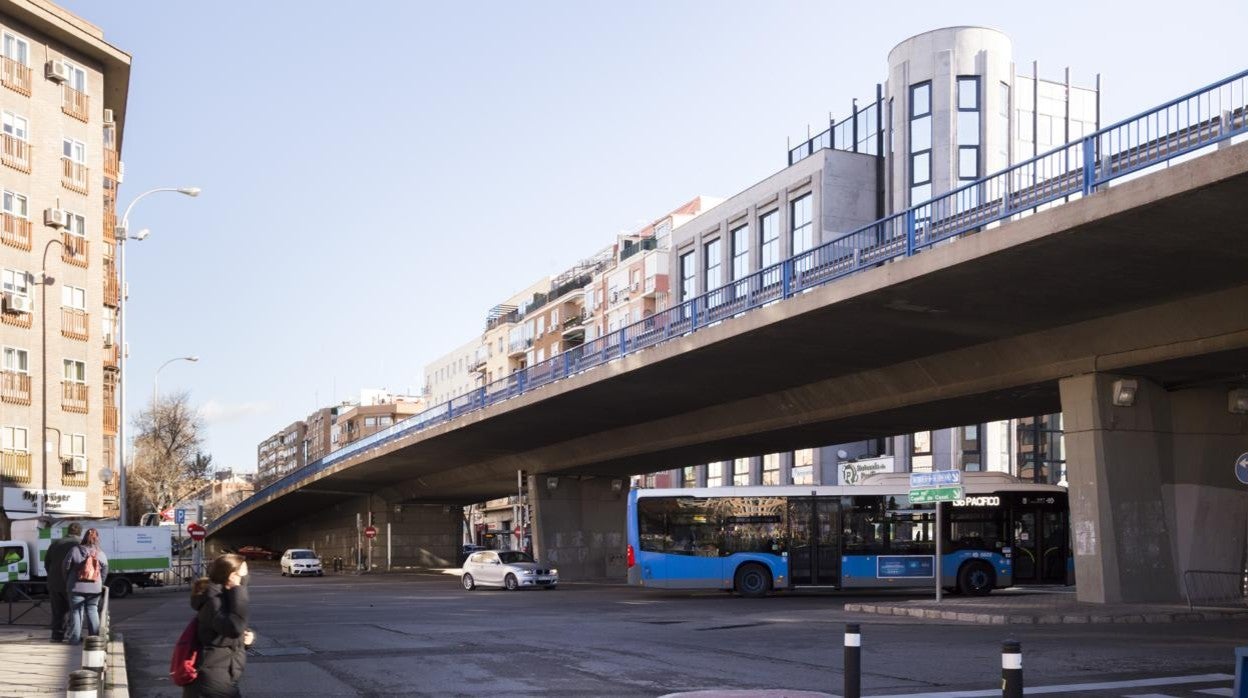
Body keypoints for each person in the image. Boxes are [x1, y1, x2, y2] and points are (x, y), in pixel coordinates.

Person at [185, 553, 253, 697]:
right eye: (243, 574)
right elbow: (234, 628)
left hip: (221, 674)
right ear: (232, 576)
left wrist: (246, 639)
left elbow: (227, 634)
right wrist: (238, 588)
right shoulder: (214, 601)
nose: (246, 578)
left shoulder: (224, 597)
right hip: (211, 679)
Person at [63, 527, 108, 644]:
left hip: (76, 587)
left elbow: (65, 567)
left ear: (84, 537)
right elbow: (105, 568)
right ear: (96, 539)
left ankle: (74, 639)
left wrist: (68, 580)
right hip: (95, 588)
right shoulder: (100, 553)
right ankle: (94, 640)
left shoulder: (74, 550)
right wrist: (100, 582)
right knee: (92, 610)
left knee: (76, 612)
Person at [45, 522, 81, 642]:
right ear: (80, 532)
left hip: (54, 583)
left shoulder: (56, 543)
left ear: (68, 531)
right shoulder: (80, 544)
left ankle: (57, 636)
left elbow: (47, 563)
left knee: (57, 611)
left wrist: (53, 575)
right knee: (75, 610)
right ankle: (73, 636)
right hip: (73, 583)